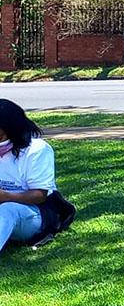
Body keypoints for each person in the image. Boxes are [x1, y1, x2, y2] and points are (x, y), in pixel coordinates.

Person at [0, 100, 65, 252]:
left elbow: (39, 195)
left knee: (9, 209)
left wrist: (4, 196)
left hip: (34, 213)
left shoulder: (36, 150)